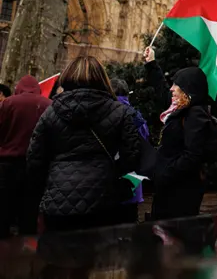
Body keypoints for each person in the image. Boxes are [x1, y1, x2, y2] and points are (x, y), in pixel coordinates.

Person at [27, 56, 141, 232]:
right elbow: (133, 155)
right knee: (97, 256)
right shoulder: (120, 111)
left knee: (59, 256)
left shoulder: (50, 112)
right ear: (102, 78)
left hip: (58, 198)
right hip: (104, 199)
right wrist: (113, 172)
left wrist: (48, 184)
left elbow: (35, 158)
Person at [143, 47, 215, 219]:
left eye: (177, 85)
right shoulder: (181, 108)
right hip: (170, 187)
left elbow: (192, 155)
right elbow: (162, 91)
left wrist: (165, 173)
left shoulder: (195, 114)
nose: (172, 89)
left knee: (176, 239)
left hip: (180, 191)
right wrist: (152, 64)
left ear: (188, 90)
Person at [0, 76, 51, 237]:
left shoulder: (8, 104)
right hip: (35, 167)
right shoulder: (48, 105)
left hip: (7, 164)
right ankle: (25, 252)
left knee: (3, 210)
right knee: (29, 211)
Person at [111, 78, 150, 224]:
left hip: (111, 179)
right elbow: (145, 141)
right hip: (134, 180)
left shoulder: (107, 113)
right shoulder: (136, 115)